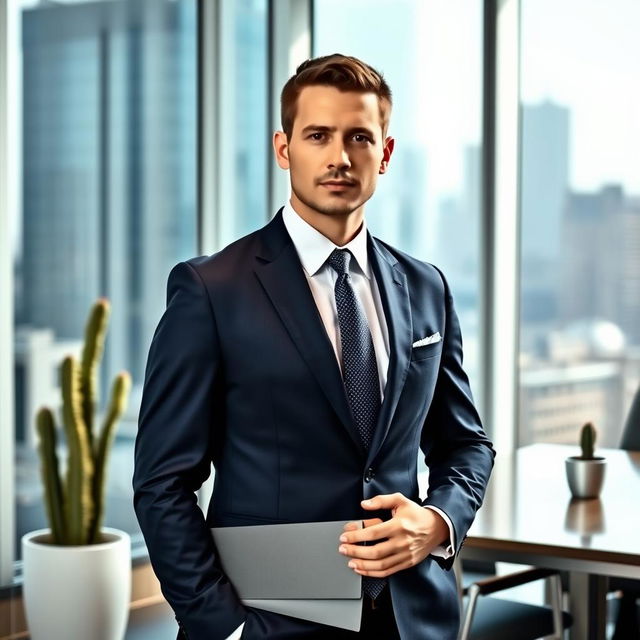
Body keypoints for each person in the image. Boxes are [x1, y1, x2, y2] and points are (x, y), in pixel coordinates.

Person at [133, 53, 495, 640]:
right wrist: (222, 626)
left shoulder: (426, 286)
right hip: (269, 620)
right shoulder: (211, 290)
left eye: (359, 137)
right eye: (318, 135)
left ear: (386, 153)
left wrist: (436, 522)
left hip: (413, 619)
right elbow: (162, 482)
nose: (339, 157)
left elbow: (466, 444)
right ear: (284, 149)